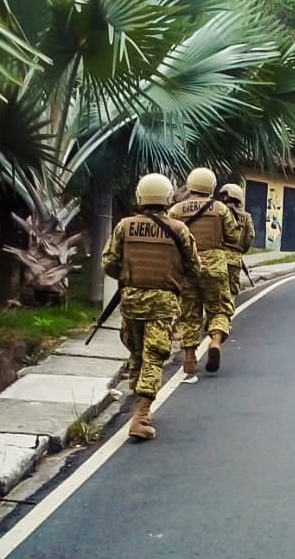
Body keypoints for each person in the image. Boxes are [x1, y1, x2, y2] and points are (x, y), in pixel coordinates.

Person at [102, 174, 200, 441]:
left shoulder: (125, 226)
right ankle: (141, 415)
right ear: (168, 198)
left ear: (140, 197)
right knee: (154, 356)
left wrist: (129, 278)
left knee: (137, 354)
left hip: (131, 301)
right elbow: (194, 266)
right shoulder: (178, 229)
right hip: (162, 303)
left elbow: (109, 263)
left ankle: (138, 403)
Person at [169, 167, 240, 375]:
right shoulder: (220, 209)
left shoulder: (177, 210)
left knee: (189, 313)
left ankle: (190, 358)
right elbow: (233, 236)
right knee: (219, 309)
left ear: (190, 185)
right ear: (211, 186)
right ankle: (215, 340)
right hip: (215, 265)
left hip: (188, 266)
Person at [220, 183, 255, 298]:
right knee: (231, 294)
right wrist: (240, 251)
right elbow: (249, 237)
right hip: (235, 259)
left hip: (217, 257)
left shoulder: (218, 213)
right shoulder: (246, 217)